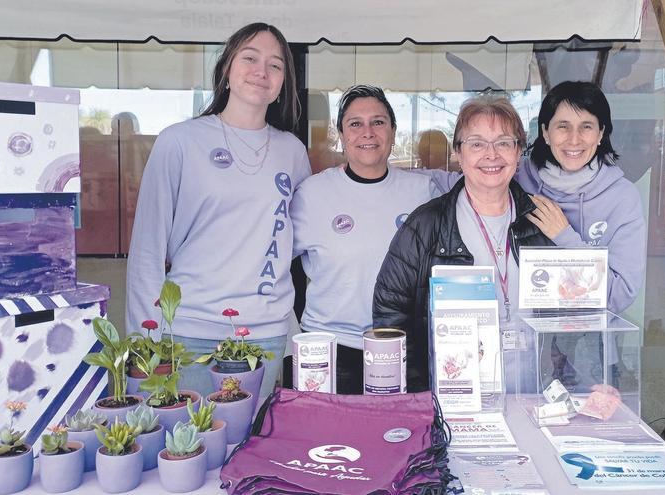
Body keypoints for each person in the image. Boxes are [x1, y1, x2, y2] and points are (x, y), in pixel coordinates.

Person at [126, 23, 311, 400]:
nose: (262, 72)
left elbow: (300, 238)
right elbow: (147, 248)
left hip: (266, 332)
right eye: (250, 58)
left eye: (275, 65)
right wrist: (145, 337)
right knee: (190, 447)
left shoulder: (292, 151)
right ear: (227, 68)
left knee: (250, 449)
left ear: (282, 84)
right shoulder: (179, 141)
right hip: (191, 328)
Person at [373, 96, 551, 392]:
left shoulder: (542, 221)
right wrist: (419, 393)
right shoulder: (425, 226)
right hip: (450, 402)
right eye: (477, 143)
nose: (491, 155)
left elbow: (569, 316)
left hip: (533, 397)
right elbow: (390, 315)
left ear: (519, 151)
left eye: (504, 142)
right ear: (458, 152)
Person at [291, 85, 447, 394]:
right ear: (341, 134)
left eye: (378, 122)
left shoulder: (422, 191)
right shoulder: (312, 194)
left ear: (392, 131)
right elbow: (277, 262)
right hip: (331, 352)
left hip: (402, 351)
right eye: (355, 123)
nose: (368, 132)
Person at [517, 80, 646, 315]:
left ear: (601, 133)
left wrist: (566, 238)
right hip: (525, 339)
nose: (574, 139)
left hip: (589, 343)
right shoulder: (516, 181)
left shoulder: (622, 198)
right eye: (563, 126)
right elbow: (459, 183)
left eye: (586, 126)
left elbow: (620, 294)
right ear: (545, 132)